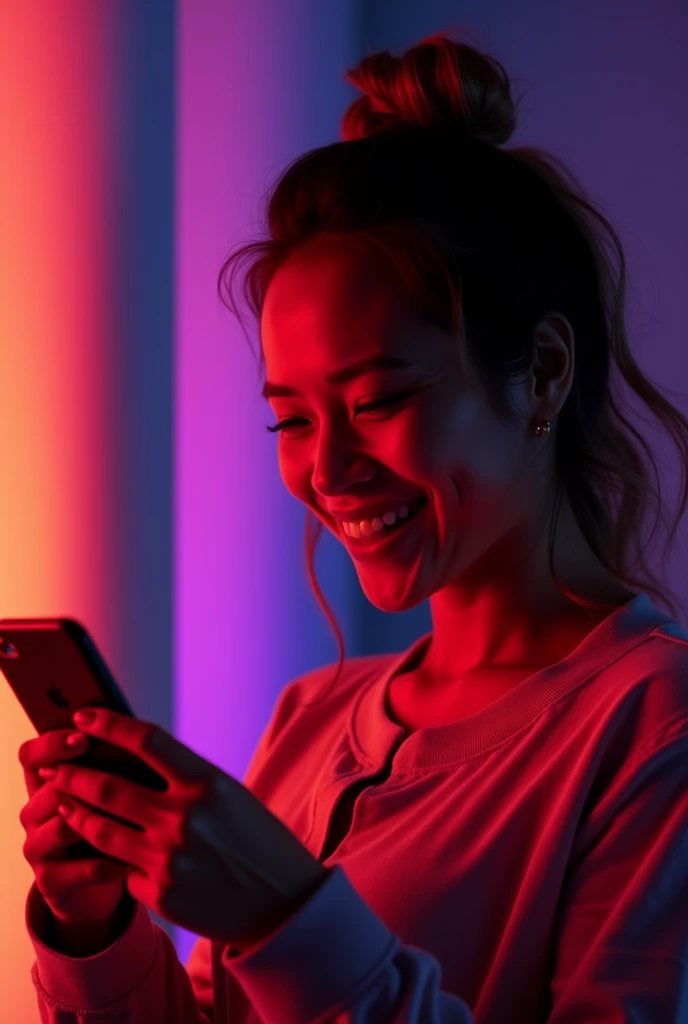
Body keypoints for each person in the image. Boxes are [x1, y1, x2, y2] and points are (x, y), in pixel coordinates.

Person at [26, 29, 688, 1023]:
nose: (325, 469)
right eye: (290, 418)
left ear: (544, 373)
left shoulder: (652, 723)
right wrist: (96, 931)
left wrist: (285, 916)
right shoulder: (312, 717)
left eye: (377, 400)